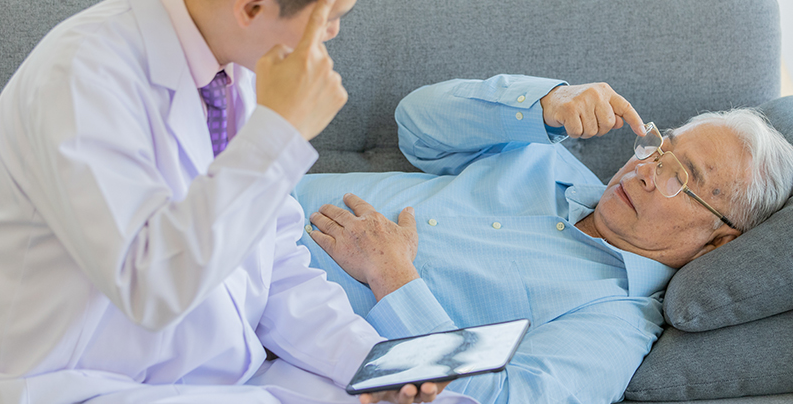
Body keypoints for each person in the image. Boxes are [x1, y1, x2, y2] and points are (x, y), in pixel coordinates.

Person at [0, 0, 477, 404]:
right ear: (251, 8)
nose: (334, 35)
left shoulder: (240, 65)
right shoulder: (81, 79)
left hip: (225, 379)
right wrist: (280, 132)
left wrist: (373, 367)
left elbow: (276, 268)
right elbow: (151, 288)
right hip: (82, 384)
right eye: (330, 19)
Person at [293, 74, 793, 404]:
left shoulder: (613, 320)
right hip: (256, 203)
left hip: (274, 315)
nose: (644, 171)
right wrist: (547, 104)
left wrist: (394, 279)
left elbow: (509, 398)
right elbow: (416, 125)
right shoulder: (544, 158)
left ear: (716, 243)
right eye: (661, 148)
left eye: (679, 177)